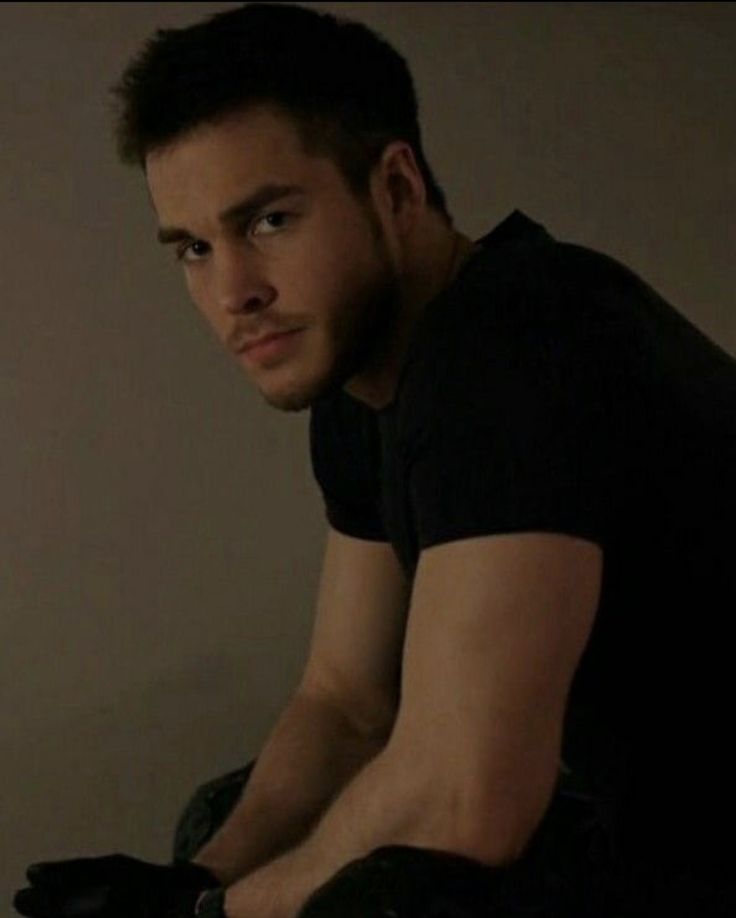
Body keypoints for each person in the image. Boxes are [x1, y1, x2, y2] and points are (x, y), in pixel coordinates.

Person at [13, 3, 736, 917]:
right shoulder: (363, 374)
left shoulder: (516, 343)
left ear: (395, 189)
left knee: (399, 892)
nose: (234, 293)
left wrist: (208, 916)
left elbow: (466, 800)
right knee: (228, 820)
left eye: (270, 220)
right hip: (641, 812)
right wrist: (197, 882)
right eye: (195, 248)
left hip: (706, 844)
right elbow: (347, 702)